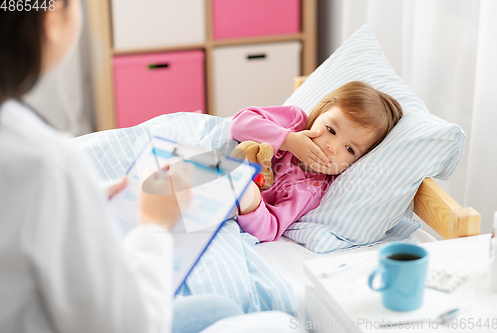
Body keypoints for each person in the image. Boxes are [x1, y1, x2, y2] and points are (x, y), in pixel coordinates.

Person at [0, 1, 247, 332]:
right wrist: (154, 224)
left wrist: (82, 199)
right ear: (52, 17)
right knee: (221, 311)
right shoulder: (50, 165)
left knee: (214, 308)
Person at [230, 81, 403, 242]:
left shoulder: (311, 188)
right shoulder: (294, 121)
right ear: (322, 111)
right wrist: (288, 140)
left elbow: (268, 228)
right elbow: (239, 123)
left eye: (349, 149)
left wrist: (249, 196)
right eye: (331, 129)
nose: (332, 146)